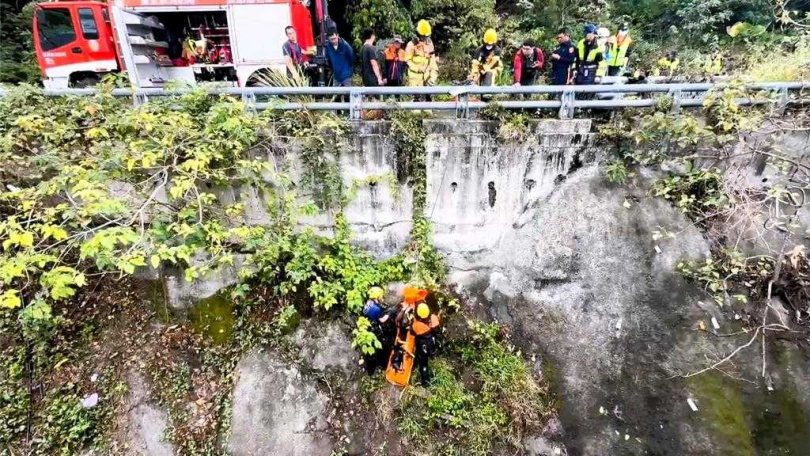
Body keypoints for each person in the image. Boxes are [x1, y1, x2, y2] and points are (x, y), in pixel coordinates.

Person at [361, 286, 396, 375]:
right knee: (381, 348)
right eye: (380, 296)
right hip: (374, 330)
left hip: (367, 328)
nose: (382, 297)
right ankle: (381, 367)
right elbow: (382, 320)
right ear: (377, 297)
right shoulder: (376, 309)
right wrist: (391, 313)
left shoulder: (368, 304)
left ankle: (372, 368)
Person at [411, 302, 441, 385]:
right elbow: (437, 330)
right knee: (431, 351)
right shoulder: (433, 318)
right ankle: (433, 355)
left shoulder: (416, 325)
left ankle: (425, 382)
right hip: (431, 343)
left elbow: (412, 333)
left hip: (422, 346)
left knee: (423, 364)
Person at [405, 20, 438, 87]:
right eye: (424, 37)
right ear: (419, 35)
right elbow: (407, 60)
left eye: (427, 36)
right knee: (417, 97)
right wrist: (418, 68)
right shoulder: (411, 44)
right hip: (415, 80)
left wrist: (433, 78)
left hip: (427, 79)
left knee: (428, 96)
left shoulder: (429, 44)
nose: (426, 39)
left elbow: (432, 61)